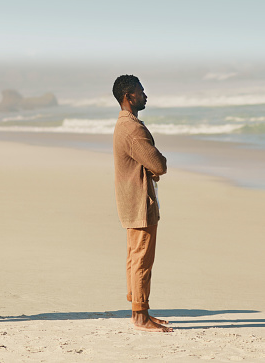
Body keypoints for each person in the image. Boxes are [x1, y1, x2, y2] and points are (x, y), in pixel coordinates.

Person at [112, 75, 172, 332]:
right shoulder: (133, 129)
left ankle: (140, 309)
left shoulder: (124, 124)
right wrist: (157, 166)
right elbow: (158, 164)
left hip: (132, 199)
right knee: (142, 259)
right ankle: (139, 316)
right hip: (138, 201)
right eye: (140, 91)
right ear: (128, 96)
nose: (145, 95)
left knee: (135, 257)